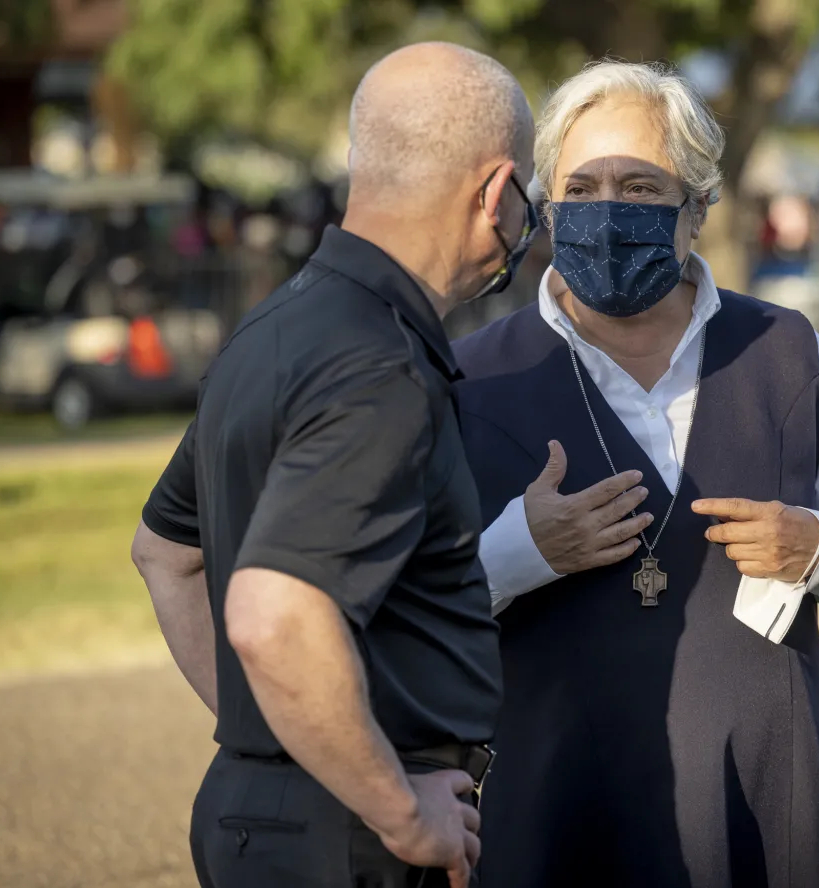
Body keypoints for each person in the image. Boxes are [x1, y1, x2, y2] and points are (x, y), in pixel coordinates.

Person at [453, 60, 819, 887]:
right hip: (552, 805)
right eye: (584, 185)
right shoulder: (471, 381)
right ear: (549, 207)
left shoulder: (786, 353)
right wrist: (518, 552)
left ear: (699, 206)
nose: (608, 209)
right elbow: (402, 608)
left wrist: (816, 544)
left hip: (765, 801)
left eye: (640, 187)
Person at [131, 42, 536, 888]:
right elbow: (273, 613)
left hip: (265, 815)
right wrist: (396, 806)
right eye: (526, 200)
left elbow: (165, 553)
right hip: (357, 843)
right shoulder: (380, 365)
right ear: (496, 194)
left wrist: (279, 741)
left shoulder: (272, 326)